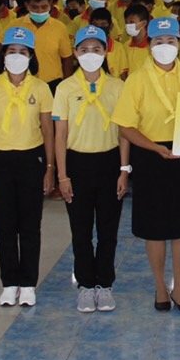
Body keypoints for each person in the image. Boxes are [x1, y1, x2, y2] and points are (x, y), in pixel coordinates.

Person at [112, 16, 180, 314]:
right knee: (154, 228)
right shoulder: (137, 80)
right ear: (148, 45)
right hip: (149, 155)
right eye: (158, 41)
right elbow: (126, 126)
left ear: (179, 43)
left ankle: (179, 288)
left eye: (170, 41)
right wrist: (155, 148)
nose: (164, 46)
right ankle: (159, 286)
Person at [0, 28, 55, 308]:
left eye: (22, 52)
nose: (16, 56)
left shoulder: (41, 88)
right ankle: (9, 282)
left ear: (30, 56)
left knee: (30, 226)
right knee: (4, 225)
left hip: (31, 159)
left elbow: (47, 129)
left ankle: (28, 283)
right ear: (3, 55)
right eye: (11, 51)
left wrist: (50, 167)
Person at [53, 25, 128, 313]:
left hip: (109, 162)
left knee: (108, 229)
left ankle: (105, 284)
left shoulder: (117, 87)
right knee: (80, 229)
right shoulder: (65, 88)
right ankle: (85, 284)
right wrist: (62, 175)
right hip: (77, 163)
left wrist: (124, 170)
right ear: (75, 53)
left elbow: (123, 132)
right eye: (84, 49)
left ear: (106, 52)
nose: (90, 54)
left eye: (96, 49)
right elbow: (60, 134)